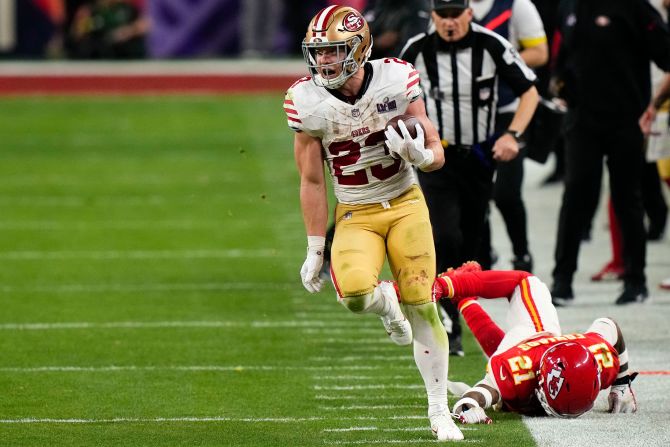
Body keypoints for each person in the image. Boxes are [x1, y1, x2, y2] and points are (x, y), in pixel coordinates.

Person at [284, 5, 463, 441]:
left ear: (360, 48)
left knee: (422, 299)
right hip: (356, 211)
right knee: (356, 296)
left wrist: (421, 157)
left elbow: (435, 148)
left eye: (334, 51)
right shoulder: (305, 101)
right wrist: (314, 246)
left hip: (404, 201)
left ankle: (439, 410)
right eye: (319, 52)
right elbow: (311, 180)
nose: (324, 60)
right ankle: (386, 303)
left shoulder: (396, 79)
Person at [399, 0, 539, 356]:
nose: (449, 22)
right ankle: (449, 320)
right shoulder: (415, 50)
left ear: (469, 13)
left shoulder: (492, 44)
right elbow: (391, 100)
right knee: (445, 234)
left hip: (478, 158)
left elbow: (529, 92)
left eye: (454, 14)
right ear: (432, 15)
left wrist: (513, 135)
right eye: (441, 15)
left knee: (472, 242)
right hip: (436, 158)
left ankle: (463, 310)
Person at [549, 0, 670, 306]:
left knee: (627, 198)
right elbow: (563, 56)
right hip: (582, 121)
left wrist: (654, 105)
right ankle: (562, 281)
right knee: (575, 196)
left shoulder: (636, 8)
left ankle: (636, 280)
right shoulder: (570, 7)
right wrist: (559, 85)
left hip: (626, 121)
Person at [427, 261, 638, 422]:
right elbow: (477, 395)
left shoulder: (599, 357)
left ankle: (465, 301)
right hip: (534, 333)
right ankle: (453, 285)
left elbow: (610, 326)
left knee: (506, 381)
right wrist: (468, 406)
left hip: (535, 351)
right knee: (529, 282)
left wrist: (620, 384)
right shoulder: (518, 369)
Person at [471, 0, 549, 273]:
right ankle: (482, 257)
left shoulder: (517, 5)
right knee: (475, 193)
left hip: (510, 111)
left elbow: (540, 52)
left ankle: (522, 254)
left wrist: (498, 60)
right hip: (469, 115)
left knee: (506, 192)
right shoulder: (451, 9)